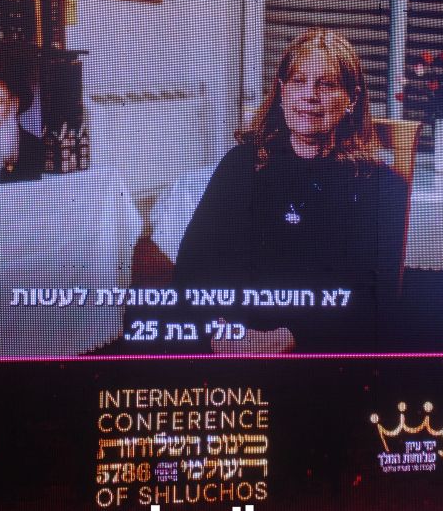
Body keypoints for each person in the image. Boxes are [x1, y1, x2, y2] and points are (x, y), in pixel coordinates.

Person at [173, 28, 408, 354]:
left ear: (352, 99)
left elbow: (370, 300)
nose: (309, 95)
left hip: (317, 349)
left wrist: (288, 339)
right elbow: (193, 266)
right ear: (282, 92)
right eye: (298, 81)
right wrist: (218, 330)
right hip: (226, 340)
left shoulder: (380, 185)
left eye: (326, 84)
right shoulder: (242, 163)